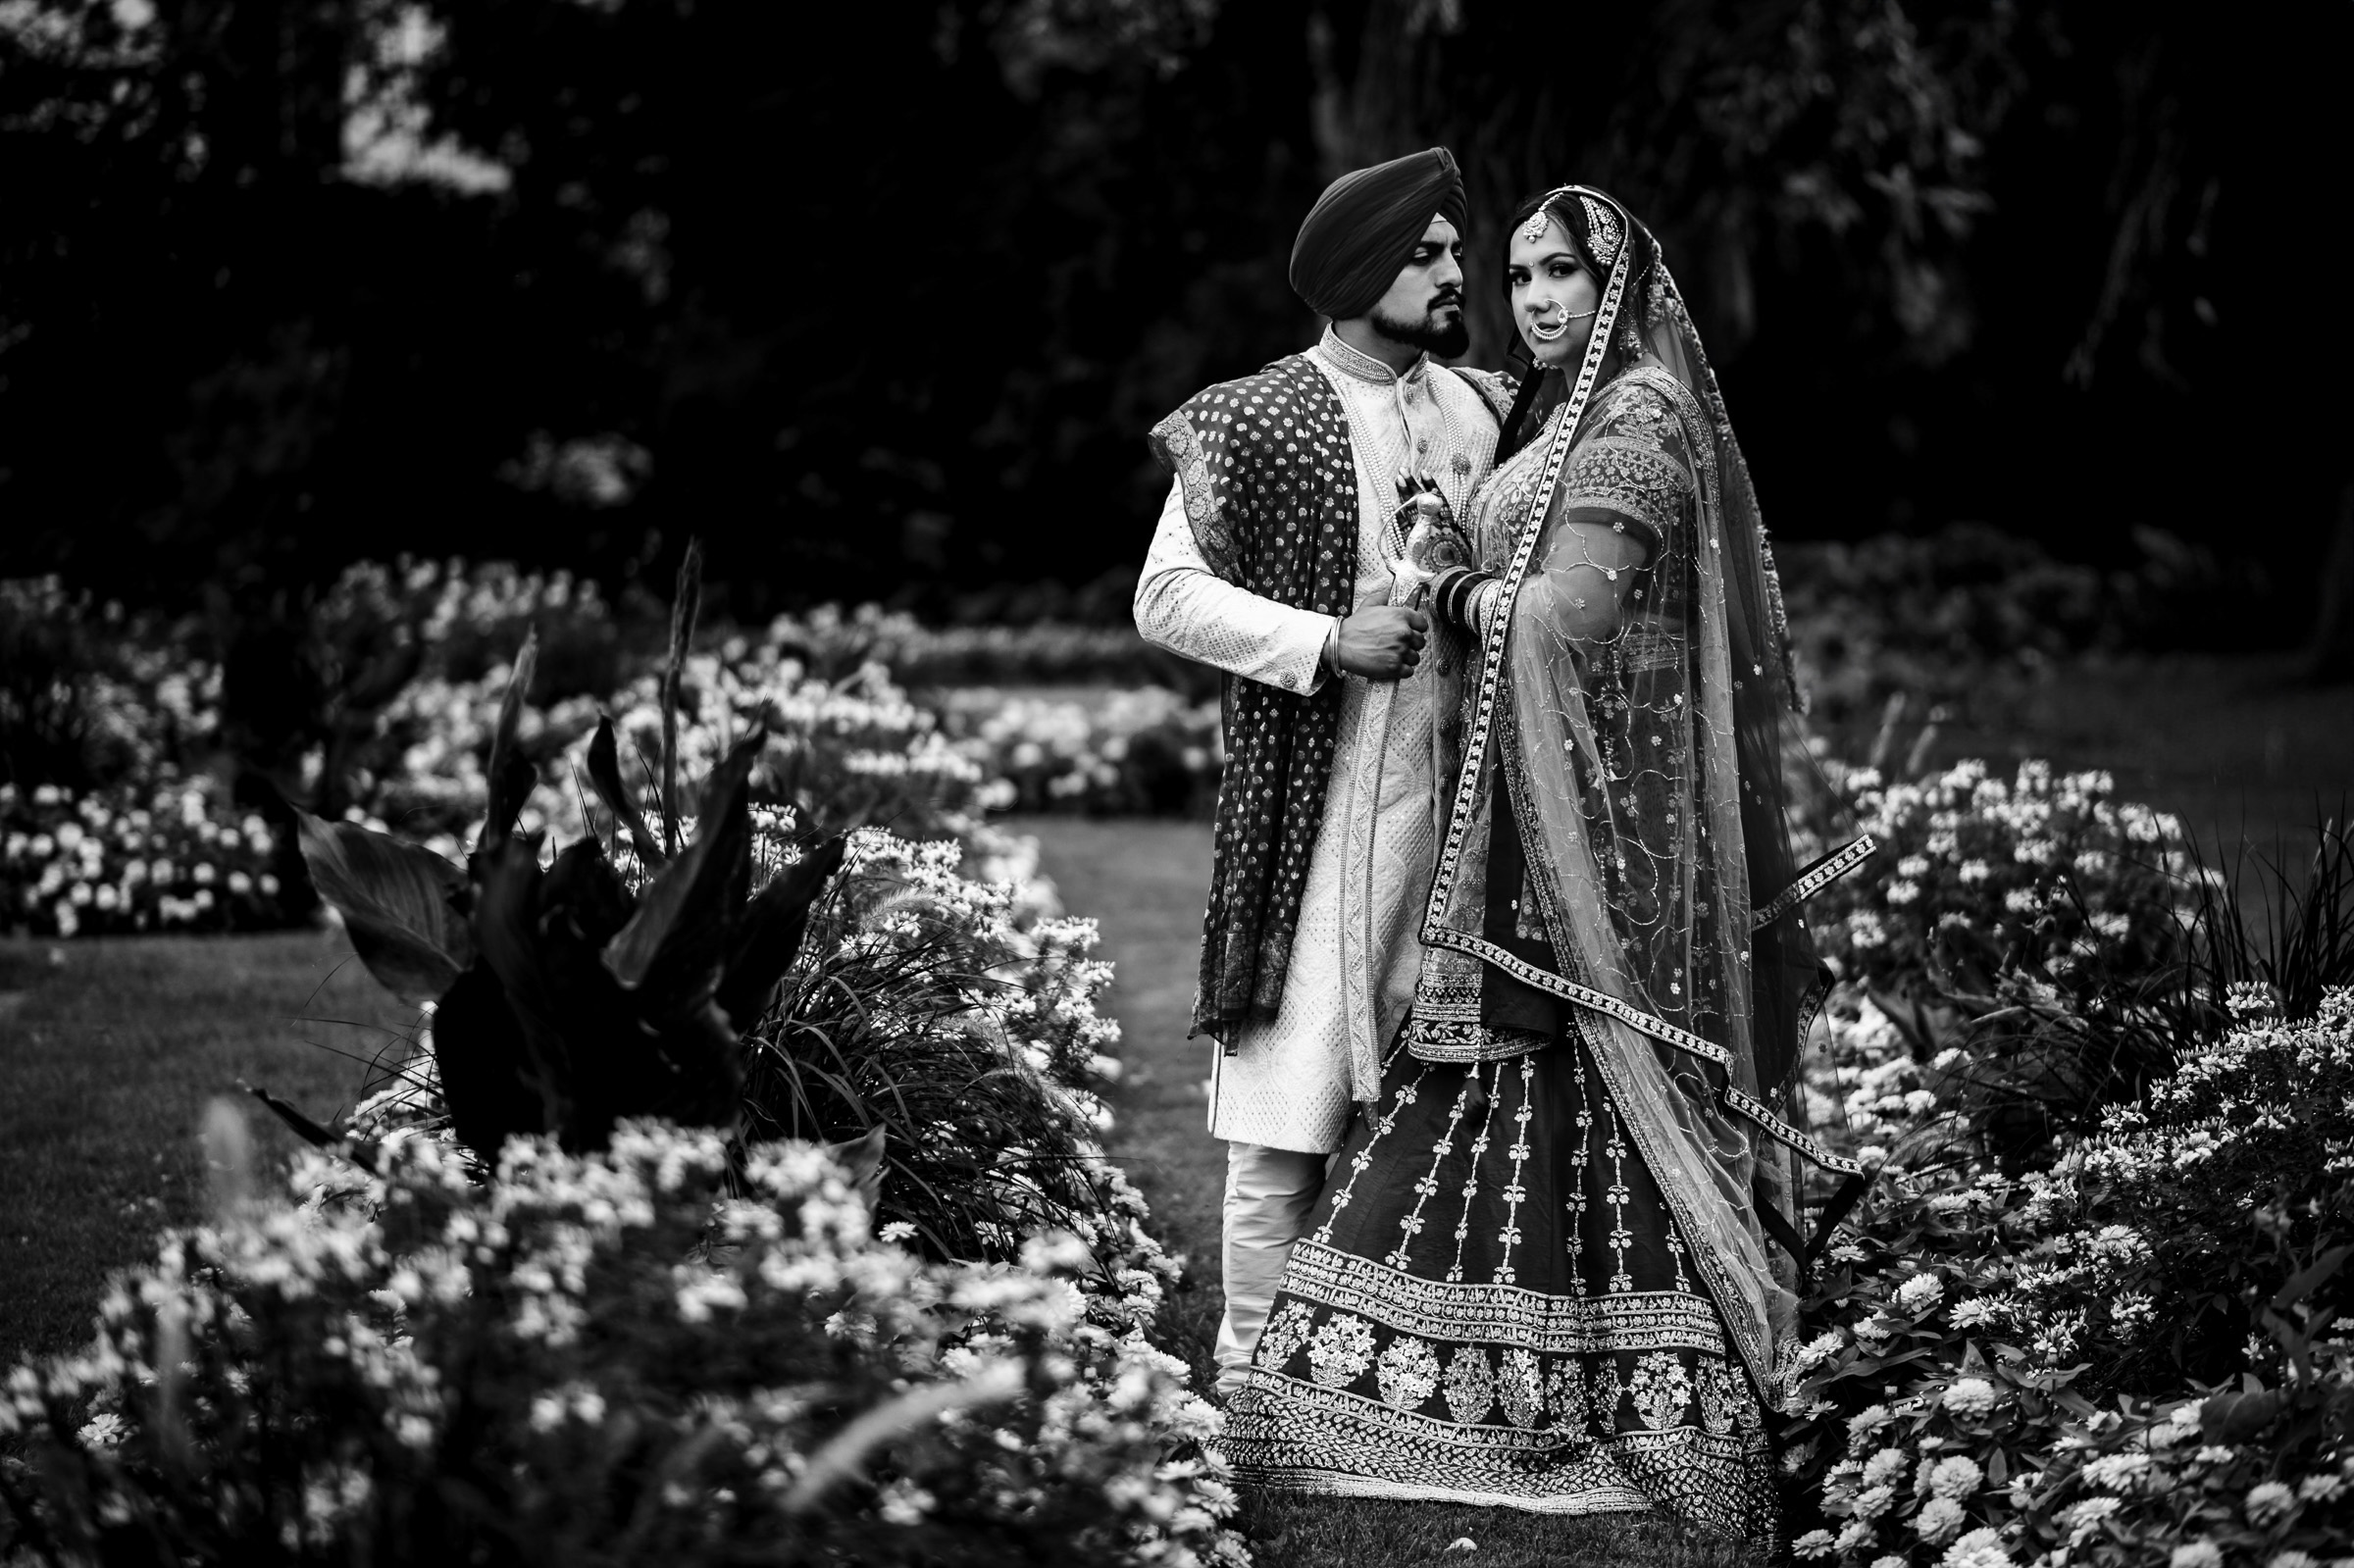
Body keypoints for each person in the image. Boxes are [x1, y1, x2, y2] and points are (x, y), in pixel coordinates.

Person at [1217, 185, 1874, 1546]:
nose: (1533, 297)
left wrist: (1448, 588)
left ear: (1620, 279)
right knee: (1510, 1091)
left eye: (1561, 270)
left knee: (1597, 1093)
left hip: (1613, 837)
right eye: (1518, 275)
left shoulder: (1636, 414)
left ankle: (1637, 1392)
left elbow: (1567, 618)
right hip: (1532, 815)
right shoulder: (1550, 410)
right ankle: (1480, 1377)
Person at [1133, 147, 1512, 1398]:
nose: (1458, 272)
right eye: (1429, 255)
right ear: (1359, 273)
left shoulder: (1482, 414)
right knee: (1285, 1109)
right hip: (1321, 797)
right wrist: (1323, 641)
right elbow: (1166, 597)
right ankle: (1248, 1375)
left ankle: (1397, 1374)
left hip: (1470, 809)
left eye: (1456, 251)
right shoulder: (1256, 416)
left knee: (1446, 1108)